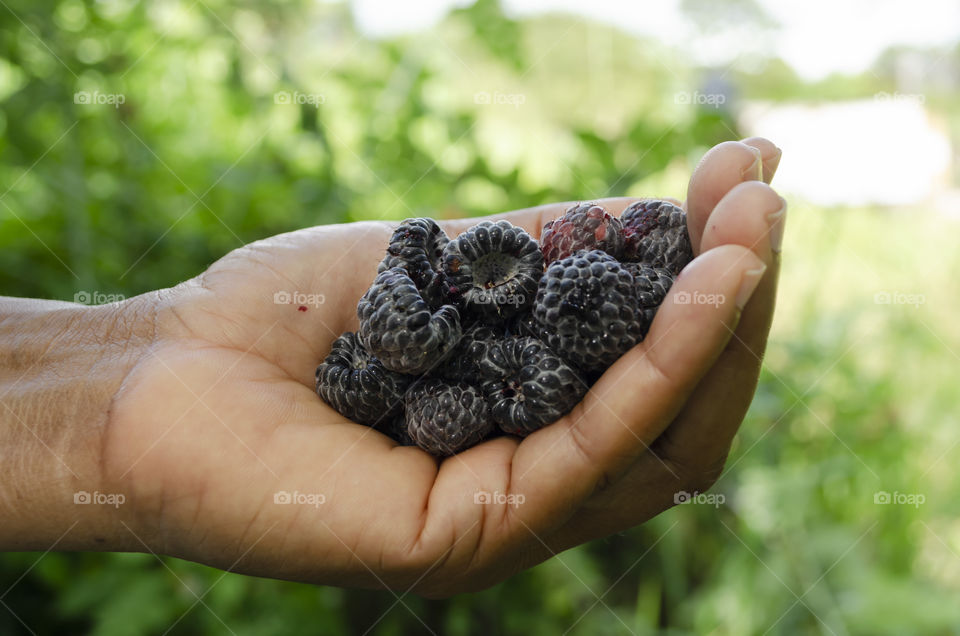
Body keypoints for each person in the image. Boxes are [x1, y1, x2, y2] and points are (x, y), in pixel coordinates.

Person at [0, 138, 784, 597]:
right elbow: (430, 303)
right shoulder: (430, 327)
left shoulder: (515, 317)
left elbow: (479, 322)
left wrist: (103, 389)